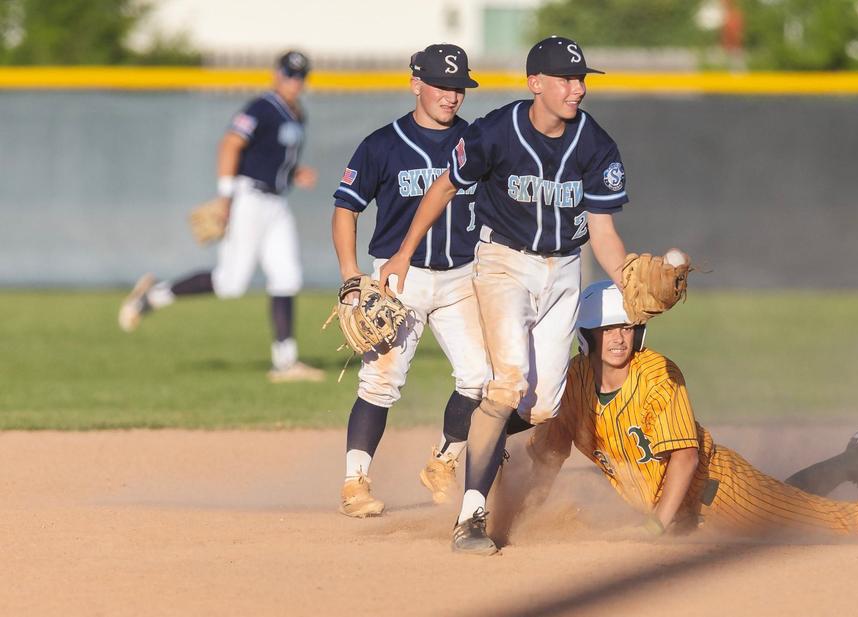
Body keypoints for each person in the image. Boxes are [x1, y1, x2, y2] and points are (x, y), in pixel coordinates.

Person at [522, 281, 858, 543]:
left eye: (627, 327)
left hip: (717, 491)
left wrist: (657, 525)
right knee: (786, 507)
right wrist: (526, 506)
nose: (619, 337)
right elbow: (552, 448)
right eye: (607, 329)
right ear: (586, 338)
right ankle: (855, 461)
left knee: (844, 525)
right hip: (691, 510)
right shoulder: (575, 383)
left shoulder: (658, 375)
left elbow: (681, 461)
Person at [377, 36, 633, 554]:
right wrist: (404, 253)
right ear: (535, 83)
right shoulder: (496, 131)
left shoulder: (594, 141)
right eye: (566, 78)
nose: (577, 88)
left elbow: (602, 232)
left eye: (581, 79)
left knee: (540, 408)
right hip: (502, 263)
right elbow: (444, 187)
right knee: (505, 384)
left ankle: (464, 445)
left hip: (564, 270)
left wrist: (627, 276)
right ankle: (470, 517)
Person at [330, 44, 488, 517]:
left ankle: (444, 460)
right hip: (400, 280)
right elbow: (345, 208)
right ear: (416, 82)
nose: (451, 95)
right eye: (442, 84)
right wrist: (351, 277)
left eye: (459, 87)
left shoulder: (478, 141)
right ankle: (354, 482)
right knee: (380, 383)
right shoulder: (383, 144)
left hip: (463, 276)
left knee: (479, 377)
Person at [119, 50, 323, 383]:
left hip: (277, 203)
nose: (294, 82)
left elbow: (271, 156)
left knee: (287, 276)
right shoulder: (262, 107)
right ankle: (153, 295)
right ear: (276, 74)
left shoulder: (298, 115)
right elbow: (230, 145)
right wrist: (226, 196)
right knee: (230, 283)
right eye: (289, 74)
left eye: (300, 76)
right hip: (248, 198)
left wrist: (294, 172)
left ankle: (285, 363)